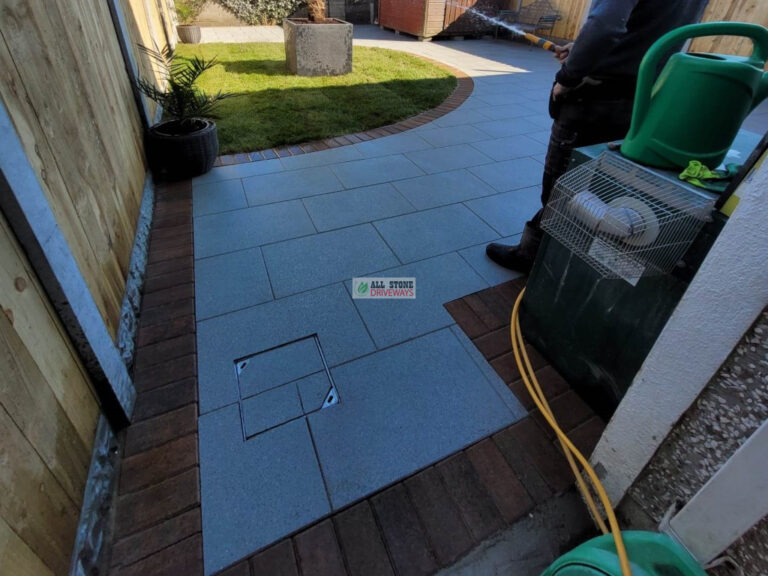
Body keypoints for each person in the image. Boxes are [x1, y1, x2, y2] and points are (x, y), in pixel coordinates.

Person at [486, 0, 710, 272]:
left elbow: (606, 25)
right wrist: (582, 49)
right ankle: (574, 256)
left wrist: (567, 77)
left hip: (596, 95)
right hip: (643, 96)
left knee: (563, 183)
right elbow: (650, 29)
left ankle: (534, 257)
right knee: (601, 182)